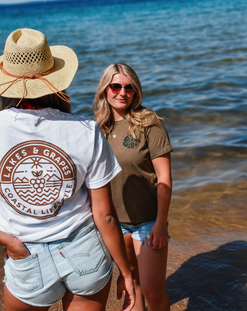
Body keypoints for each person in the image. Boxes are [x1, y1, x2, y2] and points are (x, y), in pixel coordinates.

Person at [0, 29, 135, 311]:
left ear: (5, 82)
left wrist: (5, 240)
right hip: (86, 252)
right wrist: (127, 273)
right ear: (56, 80)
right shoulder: (86, 130)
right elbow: (105, 215)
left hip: (25, 257)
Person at [93, 63, 173, 311]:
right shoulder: (96, 128)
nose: (122, 93)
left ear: (136, 91)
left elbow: (164, 178)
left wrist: (160, 224)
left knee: (152, 292)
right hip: (114, 224)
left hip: (148, 222)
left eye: (129, 88)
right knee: (131, 286)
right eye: (115, 86)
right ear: (105, 89)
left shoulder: (149, 123)